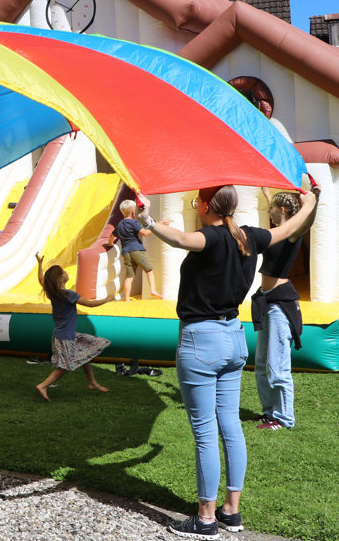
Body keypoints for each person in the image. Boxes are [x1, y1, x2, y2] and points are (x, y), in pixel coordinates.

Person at [136, 183, 317, 539]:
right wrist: (310, 200)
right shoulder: (250, 236)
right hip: (234, 337)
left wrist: (149, 221)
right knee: (230, 426)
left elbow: (179, 241)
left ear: (205, 205)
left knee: (205, 433)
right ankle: (231, 513)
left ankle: (205, 519)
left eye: (196, 202)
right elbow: (292, 227)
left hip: (201, 342)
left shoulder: (211, 238)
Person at [251, 189, 318, 430]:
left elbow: (305, 221)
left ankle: (284, 418)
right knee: (261, 364)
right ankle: (270, 413)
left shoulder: (293, 233)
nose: (268, 211)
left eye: (271, 208)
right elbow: (276, 208)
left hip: (281, 304)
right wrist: (267, 192)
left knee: (277, 365)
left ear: (282, 210)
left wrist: (313, 202)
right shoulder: (278, 231)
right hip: (266, 301)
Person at [33, 252, 113, 401]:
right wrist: (107, 299)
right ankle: (43, 385)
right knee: (65, 366)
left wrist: (39, 264)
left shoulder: (53, 292)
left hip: (64, 335)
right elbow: (90, 303)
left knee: (84, 353)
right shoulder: (68, 294)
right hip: (65, 337)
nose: (66, 272)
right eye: (63, 271)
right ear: (60, 278)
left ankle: (92, 382)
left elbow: (41, 279)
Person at [111, 199, 161, 301]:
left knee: (129, 277)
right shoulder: (133, 222)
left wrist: (109, 244)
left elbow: (112, 235)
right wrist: (155, 226)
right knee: (149, 270)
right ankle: (153, 290)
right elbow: (145, 233)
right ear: (133, 212)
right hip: (137, 250)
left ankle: (127, 299)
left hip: (126, 252)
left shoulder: (120, 224)